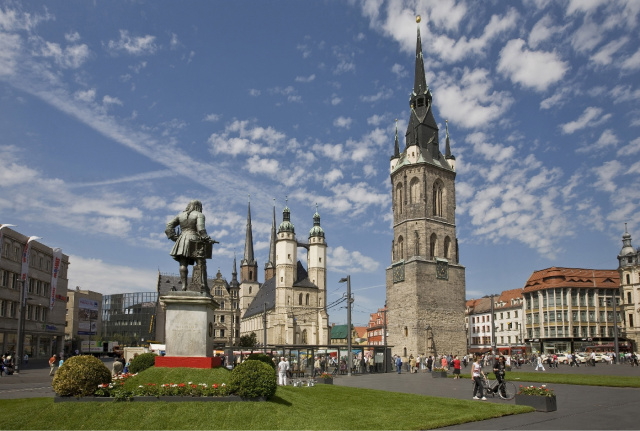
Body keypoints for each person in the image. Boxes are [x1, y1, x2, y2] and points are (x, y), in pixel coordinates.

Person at [165, 200, 216, 292]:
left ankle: (184, 286)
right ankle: (202, 285)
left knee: (183, 263)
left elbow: (169, 225)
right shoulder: (199, 215)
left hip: (182, 239)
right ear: (198, 207)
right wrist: (208, 238)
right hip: (194, 240)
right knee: (201, 263)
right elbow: (201, 229)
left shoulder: (181, 215)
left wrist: (173, 237)